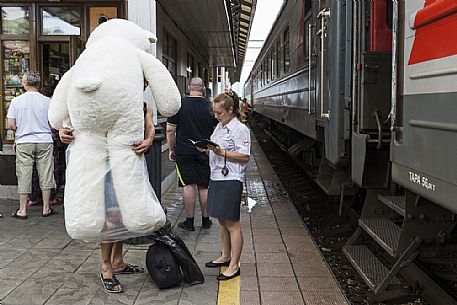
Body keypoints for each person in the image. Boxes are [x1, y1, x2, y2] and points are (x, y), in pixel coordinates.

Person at [58, 80, 154, 294]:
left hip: (128, 167)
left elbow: (149, 126)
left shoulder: (143, 104)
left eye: (143, 81)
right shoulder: (105, 99)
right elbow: (73, 123)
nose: (142, 84)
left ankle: (118, 261)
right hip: (102, 167)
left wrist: (148, 140)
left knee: (121, 214)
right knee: (111, 215)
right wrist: (62, 132)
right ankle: (106, 267)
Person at [200, 90, 250, 281]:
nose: (216, 116)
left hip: (231, 179)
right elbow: (217, 148)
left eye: (219, 113)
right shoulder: (220, 127)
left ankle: (234, 265)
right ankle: (225, 255)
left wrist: (221, 153)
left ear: (230, 110)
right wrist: (207, 149)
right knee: (222, 220)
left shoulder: (240, 129)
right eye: (214, 112)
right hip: (217, 176)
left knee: (232, 223)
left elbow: (245, 156)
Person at [166, 77, 215, 231]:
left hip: (184, 151)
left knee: (188, 185)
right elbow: (217, 130)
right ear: (204, 89)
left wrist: (172, 149)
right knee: (204, 186)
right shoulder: (210, 106)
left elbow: (170, 130)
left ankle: (189, 222)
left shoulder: (179, 105)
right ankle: (206, 221)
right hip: (205, 150)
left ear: (188, 88)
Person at [7, 71, 55, 219]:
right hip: (44, 140)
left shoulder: (16, 101)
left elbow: (11, 124)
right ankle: (46, 208)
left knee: (24, 173)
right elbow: (53, 122)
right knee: (46, 172)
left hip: (24, 141)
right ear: (38, 84)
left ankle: (22, 210)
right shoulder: (47, 101)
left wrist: (21, 130)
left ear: (25, 83)